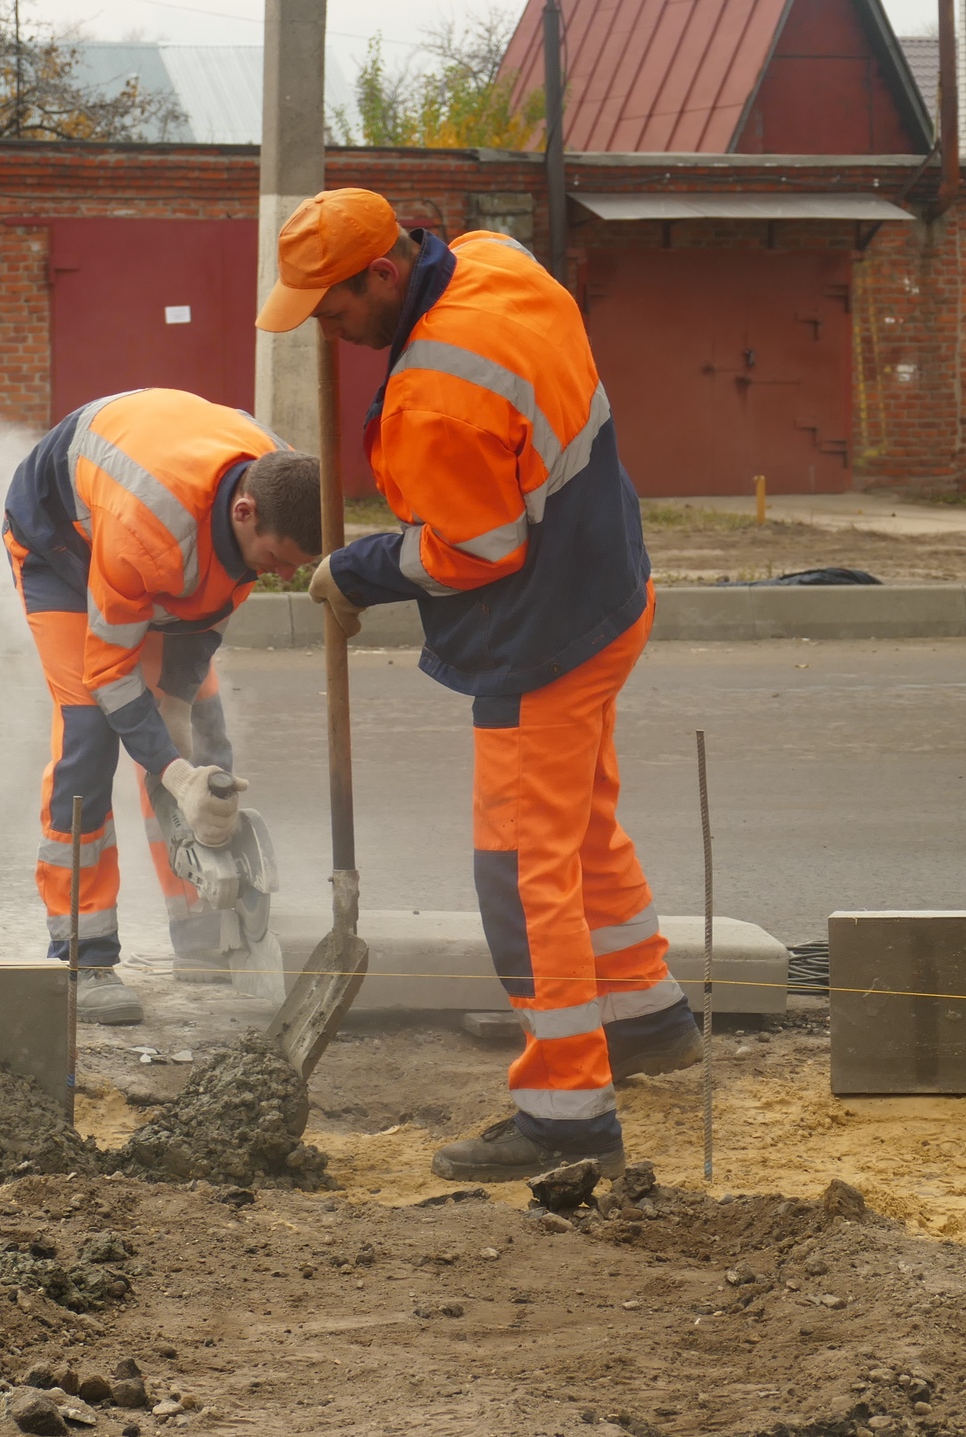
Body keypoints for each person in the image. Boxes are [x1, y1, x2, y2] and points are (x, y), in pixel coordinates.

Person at [256, 188, 700, 1181]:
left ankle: (566, 1112)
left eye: (334, 312)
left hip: (543, 635)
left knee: (517, 867)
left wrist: (359, 568)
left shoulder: (432, 394)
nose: (333, 333)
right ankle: (644, 1017)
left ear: (382, 272)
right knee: (580, 824)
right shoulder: (497, 262)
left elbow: (480, 546)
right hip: (610, 593)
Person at [3, 387, 322, 1024]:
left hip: (155, 536)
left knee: (201, 735)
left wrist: (179, 724)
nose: (281, 577)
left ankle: (206, 935)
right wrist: (174, 775)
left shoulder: (287, 483)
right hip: (63, 549)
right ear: (245, 512)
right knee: (91, 736)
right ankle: (83, 955)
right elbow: (109, 672)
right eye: (275, 562)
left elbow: (207, 617)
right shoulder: (148, 533)